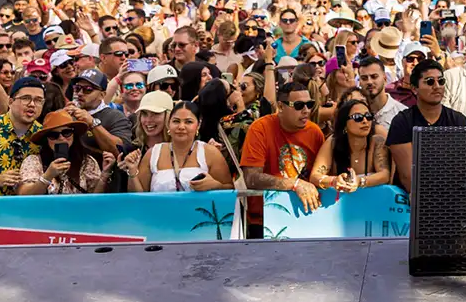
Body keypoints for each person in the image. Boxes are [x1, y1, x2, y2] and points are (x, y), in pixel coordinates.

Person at [239, 80, 325, 235]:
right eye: (299, 105)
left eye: (309, 104)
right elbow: (251, 178)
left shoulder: (315, 132)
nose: (306, 110)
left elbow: (321, 173)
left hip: (306, 215)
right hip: (264, 219)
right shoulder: (260, 129)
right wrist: (294, 184)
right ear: (281, 106)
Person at [387, 61, 466, 199]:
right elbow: (408, 177)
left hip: (451, 196)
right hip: (411, 199)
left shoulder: (458, 121)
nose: (437, 86)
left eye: (441, 81)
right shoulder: (402, 122)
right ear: (414, 89)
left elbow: (461, 169)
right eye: (430, 82)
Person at [120, 100, 231, 192]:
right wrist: (132, 170)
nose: (181, 127)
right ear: (169, 124)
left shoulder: (210, 153)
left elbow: (230, 190)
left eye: (188, 122)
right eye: (176, 121)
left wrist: (215, 185)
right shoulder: (153, 153)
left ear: (198, 125)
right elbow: (139, 198)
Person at [0, 76, 46, 195]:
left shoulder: (44, 134)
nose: (32, 104)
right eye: (25, 98)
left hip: (27, 204)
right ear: (10, 102)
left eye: (38, 100)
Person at [16, 110, 113, 194]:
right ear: (46, 139)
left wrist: (105, 174)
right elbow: (24, 194)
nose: (61, 138)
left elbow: (95, 198)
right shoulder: (34, 161)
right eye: (53, 135)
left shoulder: (87, 161)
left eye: (66, 133)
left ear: (73, 135)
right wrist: (47, 176)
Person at [308, 98, 390, 194]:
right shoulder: (333, 142)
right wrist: (334, 181)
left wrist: (360, 181)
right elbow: (314, 176)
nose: (365, 121)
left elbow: (385, 174)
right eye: (357, 117)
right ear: (344, 123)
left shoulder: (377, 142)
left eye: (368, 116)